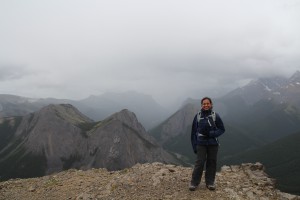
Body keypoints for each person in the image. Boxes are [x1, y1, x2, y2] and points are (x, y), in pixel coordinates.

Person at [189, 97, 225, 191]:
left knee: (211, 162)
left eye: (207, 103)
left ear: (211, 104)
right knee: (199, 163)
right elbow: (193, 133)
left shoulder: (215, 115)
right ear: (201, 105)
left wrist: (212, 134)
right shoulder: (197, 116)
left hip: (213, 143)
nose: (206, 105)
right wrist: (194, 146)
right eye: (204, 104)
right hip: (201, 143)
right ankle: (194, 183)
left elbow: (222, 129)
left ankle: (210, 182)